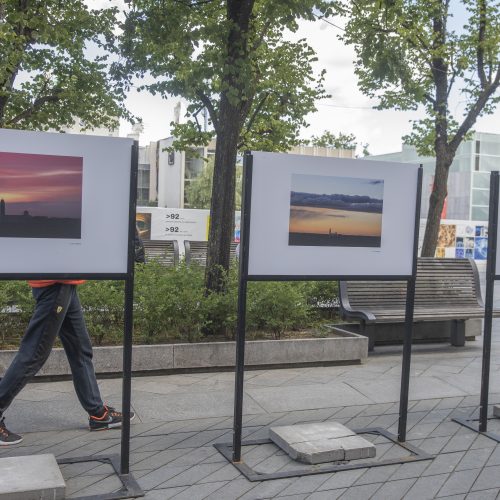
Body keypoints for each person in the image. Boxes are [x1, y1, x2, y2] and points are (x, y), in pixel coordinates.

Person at [0, 277, 135, 445]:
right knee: (34, 354)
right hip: (54, 284)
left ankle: (98, 414)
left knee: (80, 349)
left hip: (66, 283)